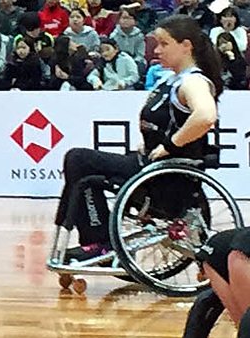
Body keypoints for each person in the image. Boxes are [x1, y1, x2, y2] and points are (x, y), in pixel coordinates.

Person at [53, 16, 221, 263]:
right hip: (150, 165)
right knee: (81, 171)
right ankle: (96, 239)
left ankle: (100, 242)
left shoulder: (193, 81)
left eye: (164, 44)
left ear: (186, 46)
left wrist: (170, 144)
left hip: (166, 177)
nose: (157, 50)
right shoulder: (171, 80)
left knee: (78, 159)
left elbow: (206, 116)